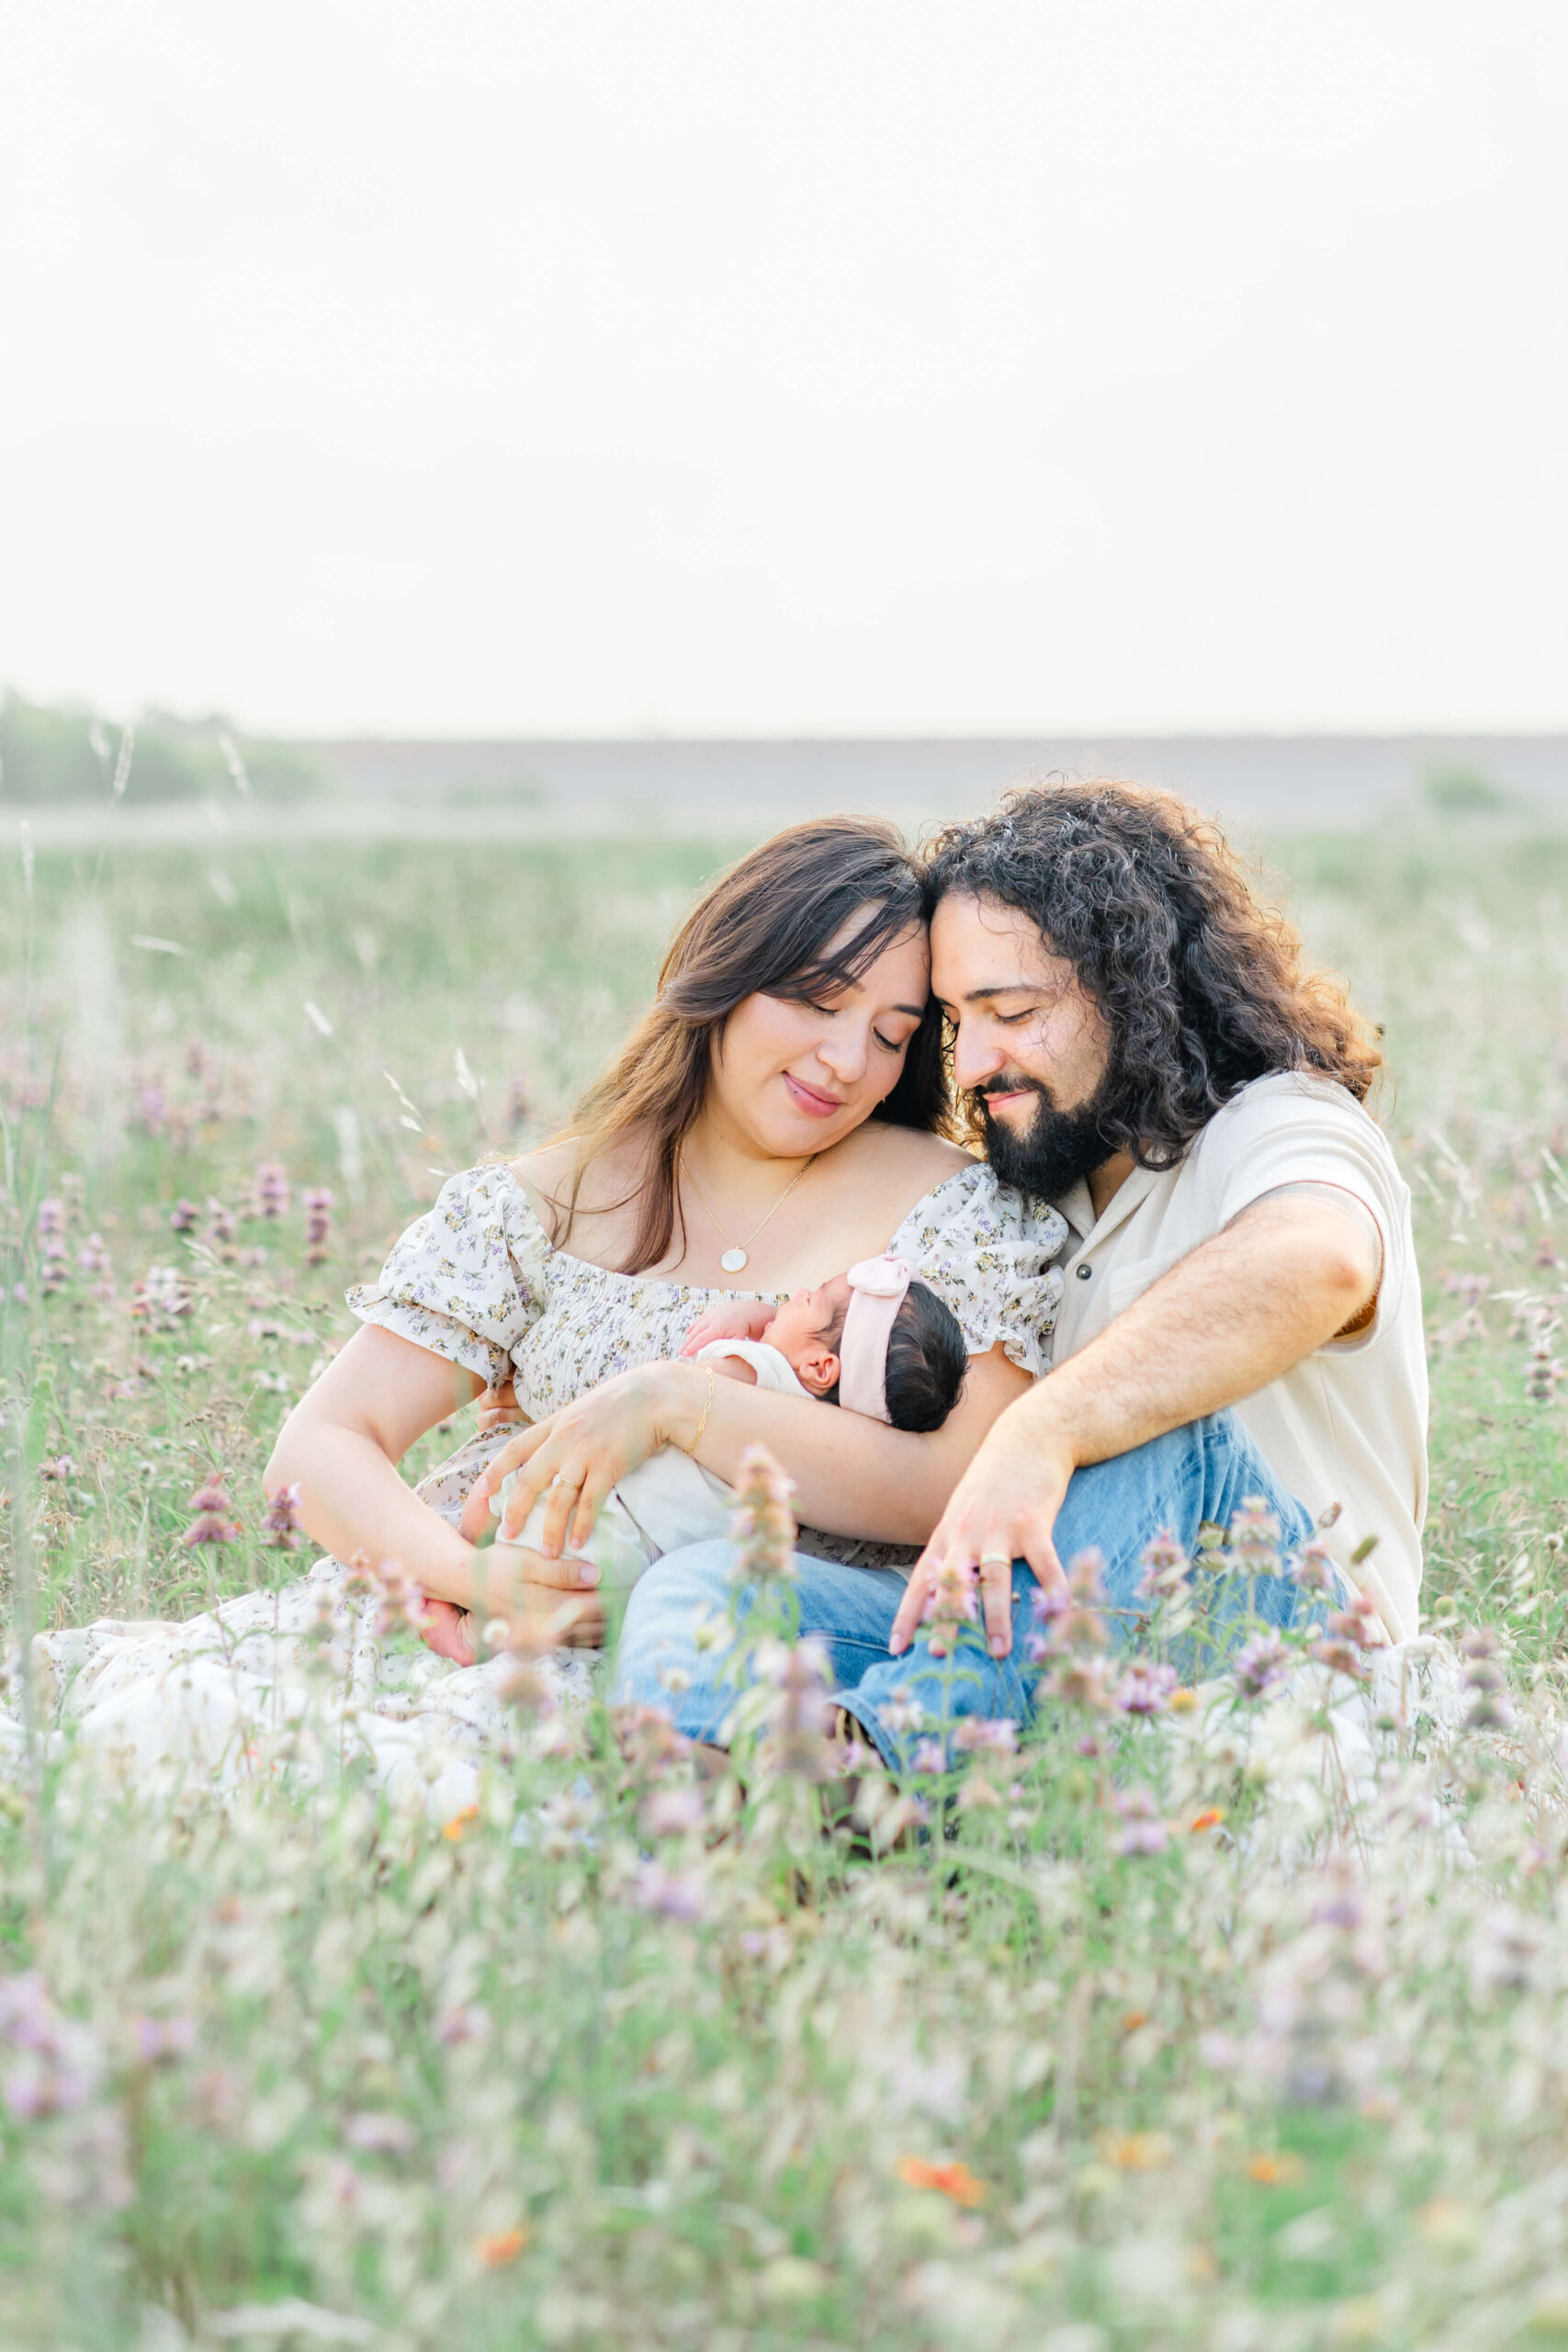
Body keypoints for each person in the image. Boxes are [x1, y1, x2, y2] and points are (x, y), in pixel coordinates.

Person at [17, 817, 1065, 1798]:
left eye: (891, 1034)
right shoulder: (547, 1200)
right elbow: (320, 1446)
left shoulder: (950, 1210)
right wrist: (468, 1575)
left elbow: (946, 1487)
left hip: (687, 1664)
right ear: (726, 976)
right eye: (816, 1001)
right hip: (452, 1611)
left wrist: (677, 1403)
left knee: (395, 1791)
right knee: (149, 1737)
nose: (847, 1063)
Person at [543, 783, 1427, 1771]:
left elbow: (1319, 1256)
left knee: (1157, 1437)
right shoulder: (1047, 1194)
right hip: (1034, 1628)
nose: (971, 1065)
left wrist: (1046, 1428)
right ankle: (704, 1803)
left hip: (1276, 1625)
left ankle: (883, 1782)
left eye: (1012, 1012)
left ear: (1138, 991)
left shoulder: (1281, 1124)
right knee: (714, 1581)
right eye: (957, 1023)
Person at [447, 1258, 968, 1656]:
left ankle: (461, 1586)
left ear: (822, 1367)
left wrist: (742, 1330)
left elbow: (688, 1381)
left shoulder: (744, 1379)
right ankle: (481, 1623)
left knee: (502, 1496)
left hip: (609, 1512)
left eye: (812, 1298)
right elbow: (790, 1355)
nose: (797, 1294)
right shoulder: (821, 1437)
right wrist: (770, 1320)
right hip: (646, 1557)